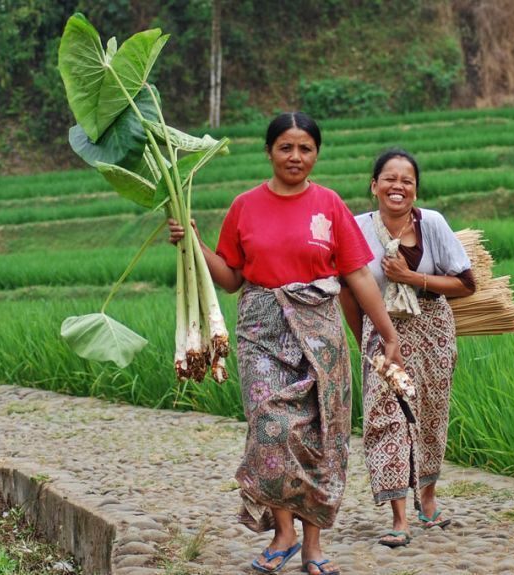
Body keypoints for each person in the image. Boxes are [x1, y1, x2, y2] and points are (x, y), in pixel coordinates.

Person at [169, 113, 403, 575]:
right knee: (270, 432)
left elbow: (357, 274)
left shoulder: (329, 204)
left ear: (316, 154)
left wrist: (388, 334)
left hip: (321, 331)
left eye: (305, 149)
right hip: (262, 332)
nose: (296, 157)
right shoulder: (244, 207)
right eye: (286, 148)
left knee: (321, 435)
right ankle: (284, 531)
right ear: (269, 151)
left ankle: (312, 545)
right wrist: (195, 245)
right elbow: (232, 279)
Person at [339, 148, 475, 548]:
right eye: (389, 179)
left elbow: (467, 284)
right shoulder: (357, 227)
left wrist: (413, 277)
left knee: (429, 415)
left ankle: (427, 501)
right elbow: (348, 290)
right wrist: (364, 336)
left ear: (415, 189)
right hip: (382, 333)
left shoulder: (431, 223)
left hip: (432, 327)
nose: (398, 187)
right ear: (374, 185)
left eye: (407, 181)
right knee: (387, 420)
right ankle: (399, 518)